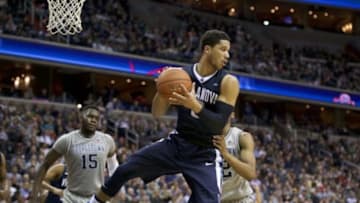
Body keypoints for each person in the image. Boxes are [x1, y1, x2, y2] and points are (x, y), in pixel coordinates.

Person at [89, 29, 240, 203]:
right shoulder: (182, 75)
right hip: (177, 143)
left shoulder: (228, 82)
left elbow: (218, 125)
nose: (227, 55)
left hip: (204, 154)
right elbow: (157, 113)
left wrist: (194, 105)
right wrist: (161, 91)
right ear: (207, 49)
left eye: (228, 50)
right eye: (223, 49)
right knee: (124, 170)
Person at [31, 105, 118, 203]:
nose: (93, 120)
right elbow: (44, 165)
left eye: (96, 118)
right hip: (72, 198)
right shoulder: (67, 140)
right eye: (90, 116)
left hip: (96, 198)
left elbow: (114, 167)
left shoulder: (107, 140)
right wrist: (33, 197)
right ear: (81, 117)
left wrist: (115, 187)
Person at [212, 116, 257, 203]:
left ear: (232, 114)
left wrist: (226, 154)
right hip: (215, 199)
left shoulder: (241, 137)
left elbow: (250, 174)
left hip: (241, 199)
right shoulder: (203, 136)